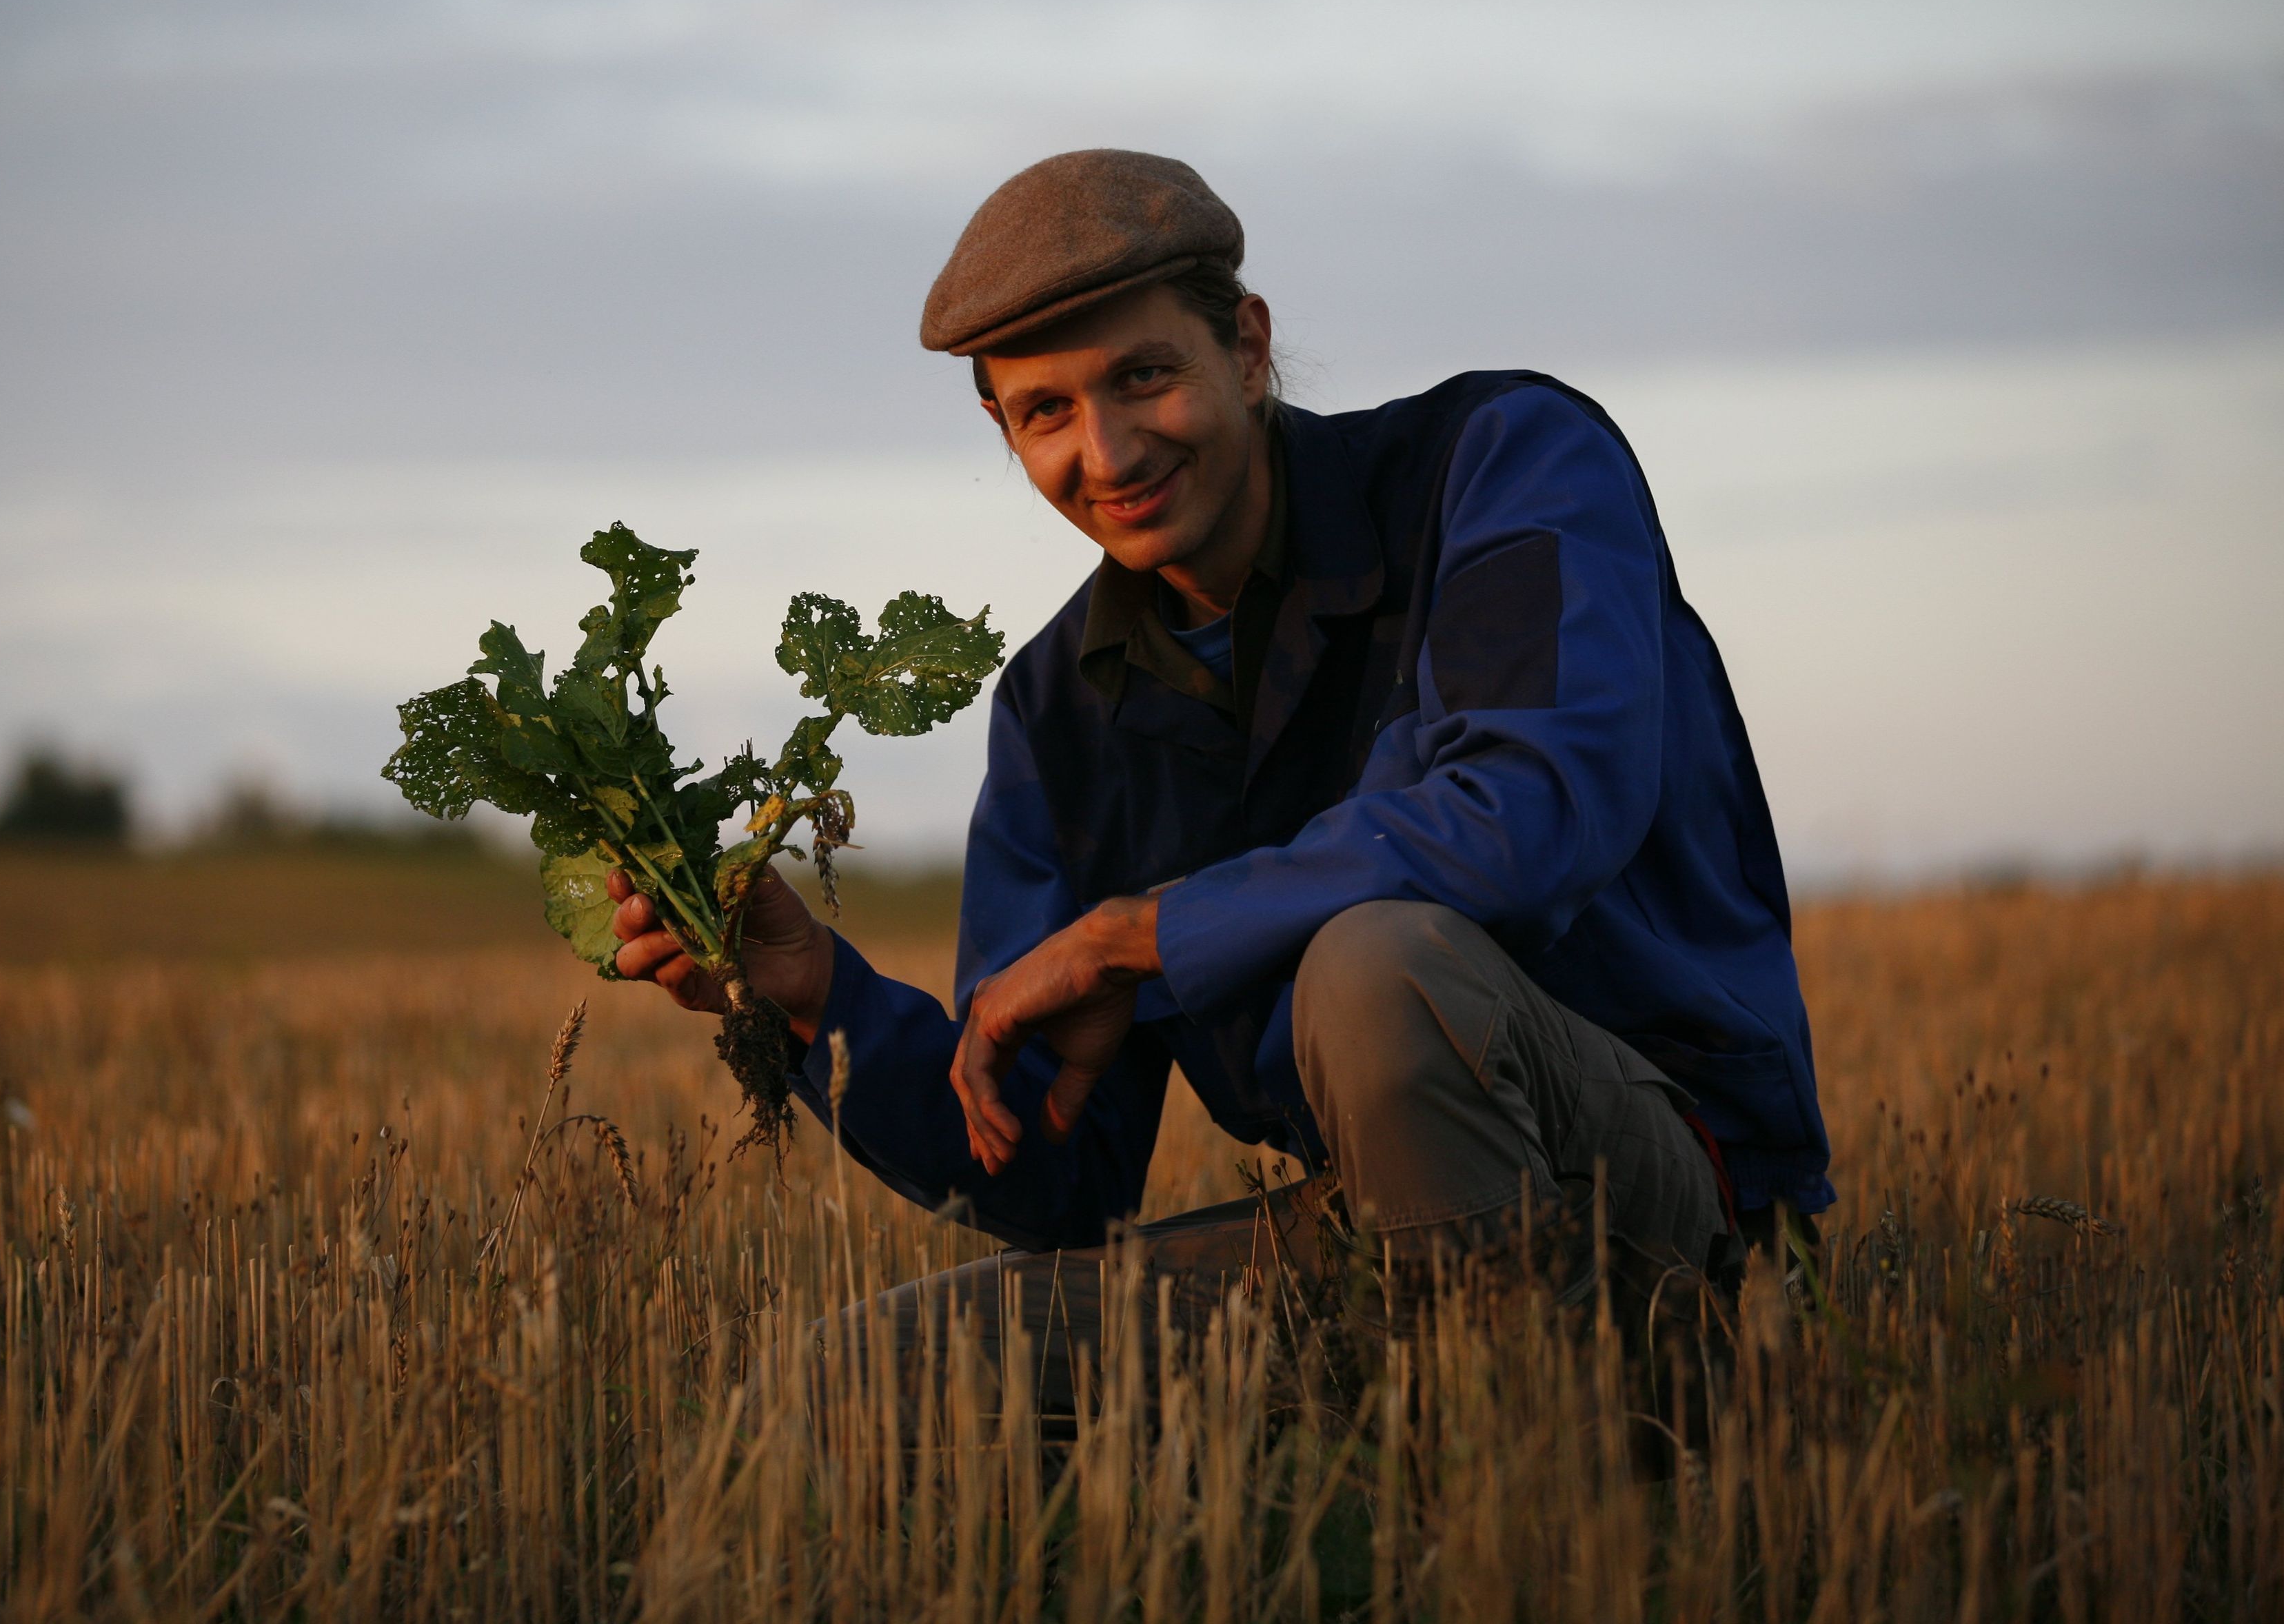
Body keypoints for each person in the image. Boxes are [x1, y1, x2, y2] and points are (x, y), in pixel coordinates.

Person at [604, 149, 1830, 1403]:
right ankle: (1400, 1428)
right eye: (1047, 413)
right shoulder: (1055, 711)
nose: (1111, 451)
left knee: (1376, 967)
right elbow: (1050, 1171)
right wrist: (817, 998)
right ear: (1003, 432)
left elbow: (1531, 814)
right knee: (850, 1383)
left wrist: (1148, 935)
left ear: (1245, 348)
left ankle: (1528, 1490)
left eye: (1145, 376)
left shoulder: (1503, 466)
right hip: (1373, 1242)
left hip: (1668, 1195)